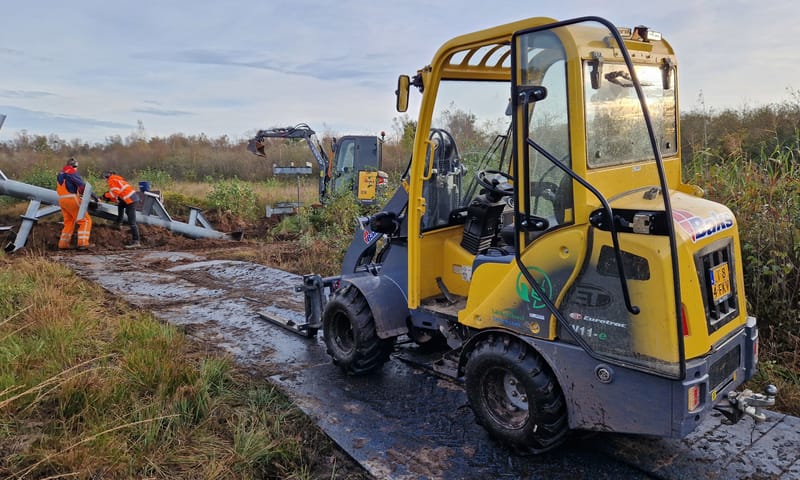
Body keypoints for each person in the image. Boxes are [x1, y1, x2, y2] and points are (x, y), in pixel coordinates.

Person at [56, 157, 93, 250]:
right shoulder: (72, 172)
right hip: (71, 198)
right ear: (74, 166)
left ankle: (63, 245)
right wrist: (95, 197)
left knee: (69, 222)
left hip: (61, 200)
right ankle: (83, 243)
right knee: (85, 220)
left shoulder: (60, 175)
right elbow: (82, 186)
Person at [101, 170, 141, 248]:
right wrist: (109, 199)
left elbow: (114, 193)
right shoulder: (118, 179)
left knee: (132, 222)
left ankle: (136, 241)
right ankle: (118, 223)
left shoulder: (111, 180)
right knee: (120, 205)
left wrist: (104, 196)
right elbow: (118, 195)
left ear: (106, 177)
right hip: (131, 199)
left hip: (131, 201)